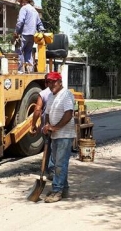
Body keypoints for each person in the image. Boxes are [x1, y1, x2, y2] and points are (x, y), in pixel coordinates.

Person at [42, 71, 75, 203]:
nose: (50, 84)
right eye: (48, 82)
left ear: (60, 82)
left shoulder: (66, 95)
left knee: (59, 163)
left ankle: (57, 191)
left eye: (53, 82)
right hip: (55, 135)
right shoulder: (51, 96)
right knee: (58, 163)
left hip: (65, 135)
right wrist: (47, 125)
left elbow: (68, 114)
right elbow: (48, 114)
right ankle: (64, 188)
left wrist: (56, 127)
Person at [30, 73, 56, 179]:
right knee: (54, 147)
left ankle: (49, 170)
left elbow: (37, 110)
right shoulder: (62, 92)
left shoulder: (43, 93)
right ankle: (51, 170)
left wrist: (33, 124)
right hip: (58, 125)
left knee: (49, 146)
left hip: (47, 125)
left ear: (45, 83)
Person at [14, 0, 45, 73]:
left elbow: (20, 21)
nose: (20, 4)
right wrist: (41, 32)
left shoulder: (24, 8)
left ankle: (20, 70)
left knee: (19, 51)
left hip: (24, 33)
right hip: (32, 35)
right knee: (28, 52)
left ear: (23, 2)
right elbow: (40, 24)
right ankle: (30, 70)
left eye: (21, 2)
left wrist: (16, 31)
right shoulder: (34, 11)